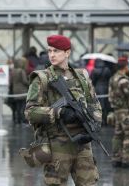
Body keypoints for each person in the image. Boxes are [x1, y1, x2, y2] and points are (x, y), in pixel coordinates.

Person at [24, 35, 102, 185]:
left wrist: (94, 125)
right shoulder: (42, 78)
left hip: (83, 143)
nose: (52, 55)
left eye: (56, 51)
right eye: (49, 51)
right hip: (57, 146)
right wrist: (59, 112)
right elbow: (30, 112)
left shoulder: (82, 76)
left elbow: (95, 105)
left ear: (67, 53)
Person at [108, 56, 129, 168]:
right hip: (126, 112)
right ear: (125, 67)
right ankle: (127, 159)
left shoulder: (113, 78)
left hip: (117, 111)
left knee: (118, 135)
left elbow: (110, 95)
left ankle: (116, 159)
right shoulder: (124, 80)